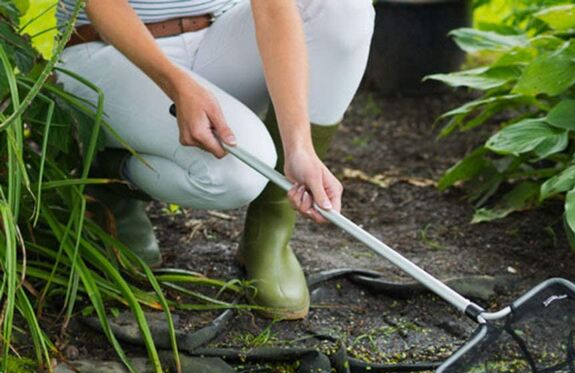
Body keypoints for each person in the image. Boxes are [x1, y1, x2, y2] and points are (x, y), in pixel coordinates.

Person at [56, 0, 375, 319]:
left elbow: (273, 7)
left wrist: (299, 147)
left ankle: (269, 233)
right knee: (236, 175)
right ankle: (107, 176)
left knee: (343, 9)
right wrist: (177, 86)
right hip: (100, 47)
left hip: (213, 36)